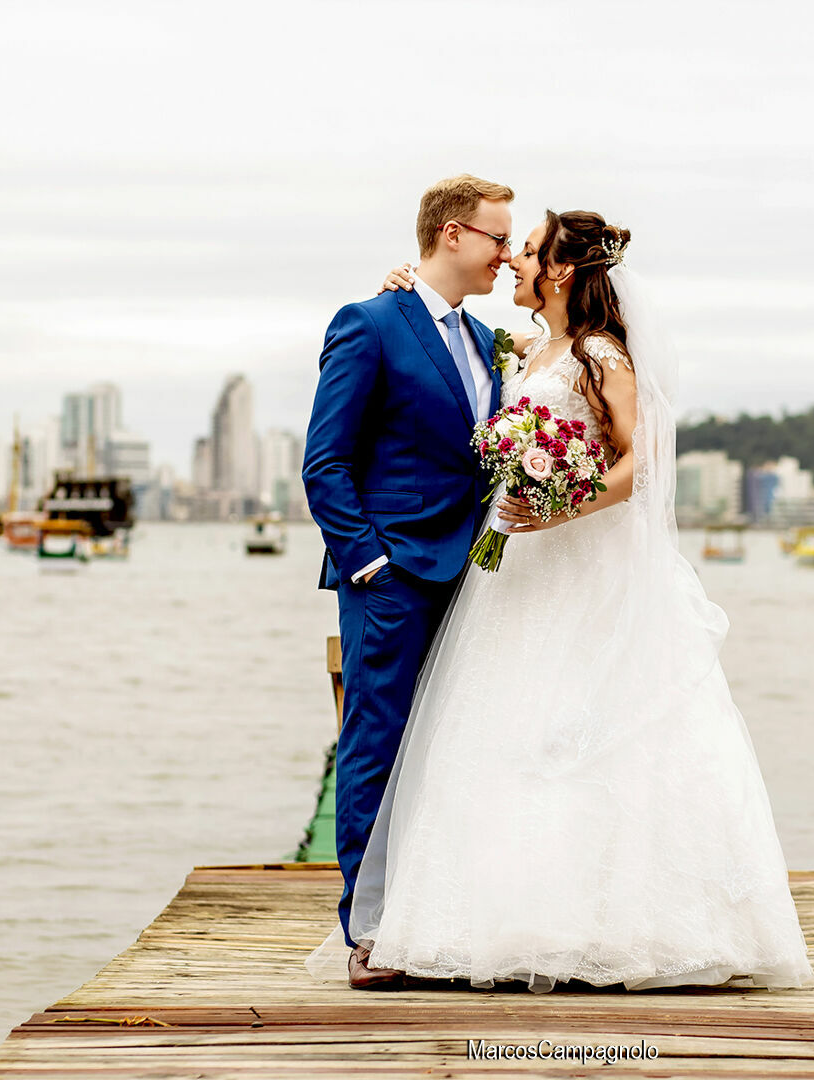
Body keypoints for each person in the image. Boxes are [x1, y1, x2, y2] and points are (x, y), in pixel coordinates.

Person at [342, 209, 814, 992]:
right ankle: (501, 919)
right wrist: (401, 281)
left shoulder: (598, 354)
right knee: (508, 735)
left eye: (526, 252)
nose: (515, 262)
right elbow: (447, 341)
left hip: (579, 567)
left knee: (589, 733)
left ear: (561, 271)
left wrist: (562, 502)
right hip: (518, 576)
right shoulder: (533, 349)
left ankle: (617, 923)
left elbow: (643, 462)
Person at [301, 174, 516, 989]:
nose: (508, 253)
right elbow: (326, 462)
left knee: (454, 748)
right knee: (377, 743)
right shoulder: (369, 323)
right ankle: (367, 927)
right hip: (391, 576)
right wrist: (369, 562)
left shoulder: (487, 339)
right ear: (454, 235)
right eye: (498, 238)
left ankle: (440, 911)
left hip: (473, 579)